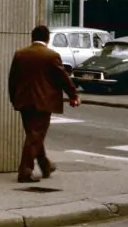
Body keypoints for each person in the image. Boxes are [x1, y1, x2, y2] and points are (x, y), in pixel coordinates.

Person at [8, 24, 81, 183]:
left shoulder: (20, 54)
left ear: (32, 38)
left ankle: (45, 166)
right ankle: (25, 172)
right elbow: (63, 78)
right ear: (48, 39)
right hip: (43, 102)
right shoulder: (51, 56)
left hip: (24, 102)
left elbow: (12, 80)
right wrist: (73, 95)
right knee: (35, 136)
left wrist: (14, 99)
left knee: (34, 135)